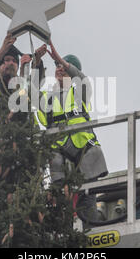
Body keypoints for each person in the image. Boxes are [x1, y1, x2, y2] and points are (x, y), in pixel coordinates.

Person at [36, 40, 108, 222]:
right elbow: (33, 90)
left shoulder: (80, 92)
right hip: (59, 152)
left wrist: (60, 59)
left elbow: (82, 79)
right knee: (61, 198)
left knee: (88, 196)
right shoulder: (47, 98)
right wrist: (37, 63)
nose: (60, 69)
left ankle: (91, 227)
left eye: (64, 67)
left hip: (85, 150)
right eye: (57, 66)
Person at [0, 33, 46, 136]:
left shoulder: (22, 86)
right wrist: (1, 53)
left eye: (14, 61)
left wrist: (37, 62)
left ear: (18, 67)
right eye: (7, 60)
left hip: (29, 144)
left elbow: (35, 86)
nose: (10, 63)